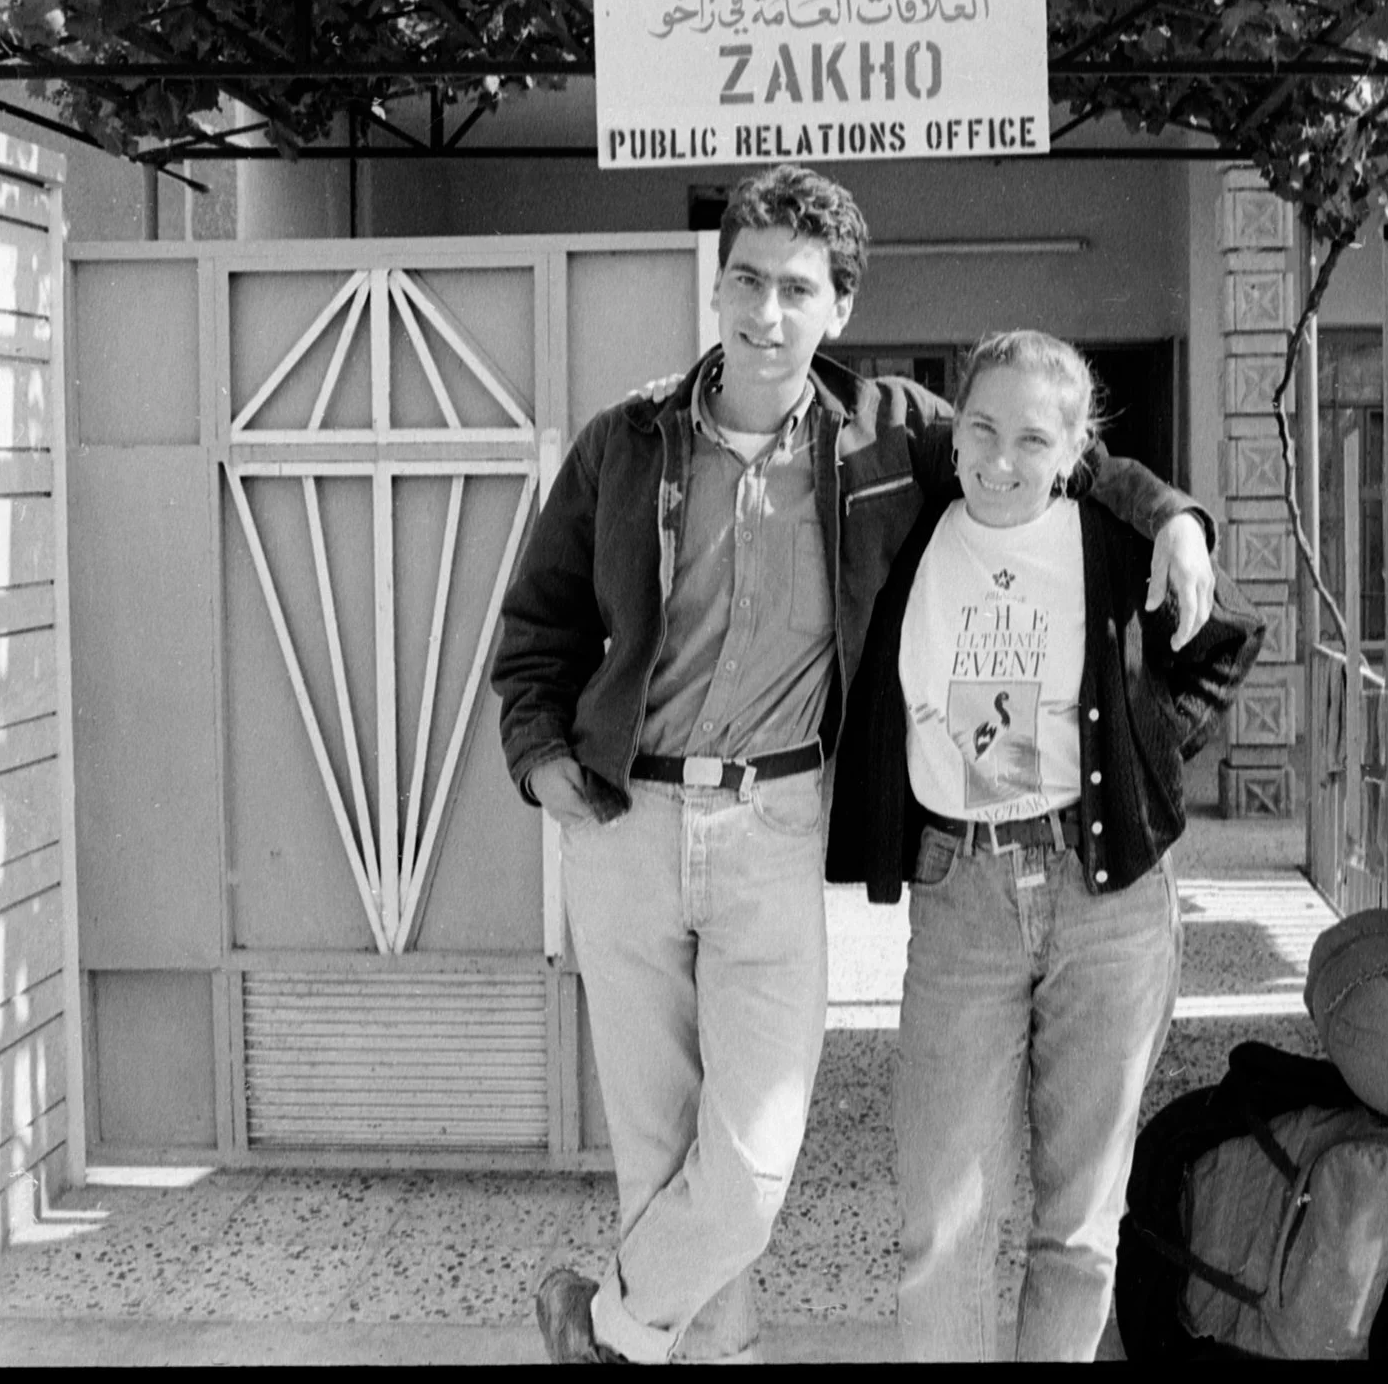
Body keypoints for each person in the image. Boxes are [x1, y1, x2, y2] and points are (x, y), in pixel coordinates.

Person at [490, 166, 1218, 1365]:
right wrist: (539, 755)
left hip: (776, 819)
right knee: (658, 1155)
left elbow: (1042, 447)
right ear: (715, 287)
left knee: (750, 1163)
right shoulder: (626, 440)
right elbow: (539, 624)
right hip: (626, 822)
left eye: (795, 288)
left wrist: (1176, 517)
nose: (765, 312)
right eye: (745, 281)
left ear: (840, 306)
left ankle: (604, 1322)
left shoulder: (887, 434)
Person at [827, 329, 1263, 1363]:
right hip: (961, 894)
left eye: (1033, 438)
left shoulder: (1108, 540)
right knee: (942, 1216)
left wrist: (1141, 753)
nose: (1001, 459)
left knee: (1078, 1221)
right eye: (982, 428)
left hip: (1104, 898)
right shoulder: (912, 526)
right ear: (955, 430)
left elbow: (1225, 642)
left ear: (1075, 451)